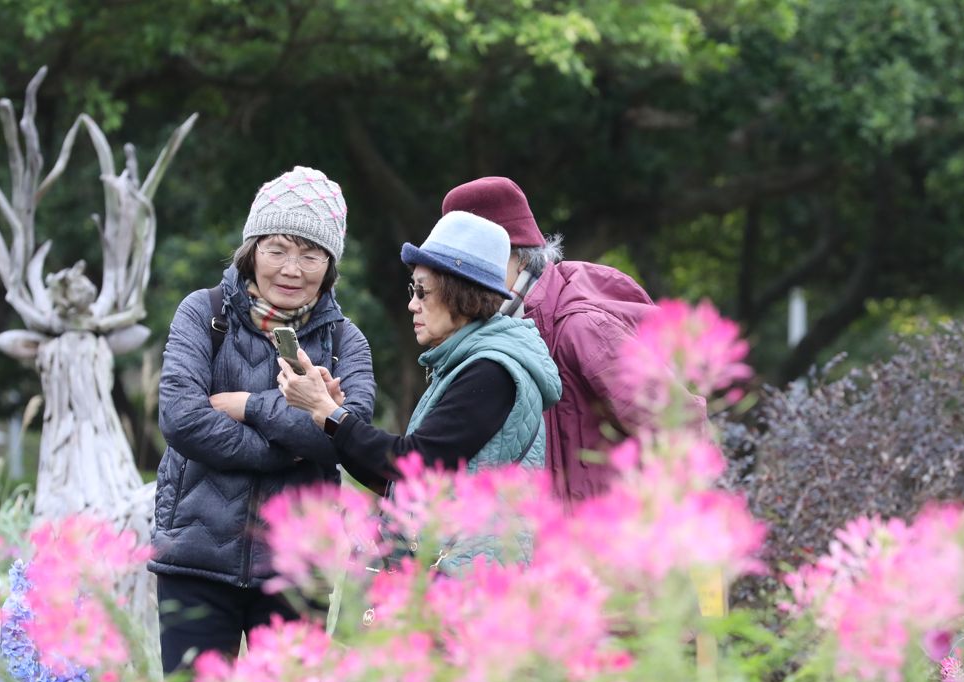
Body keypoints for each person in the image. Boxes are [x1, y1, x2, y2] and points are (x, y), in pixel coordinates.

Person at [150, 166, 375, 675]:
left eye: (310, 253)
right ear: (251, 250)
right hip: (195, 558)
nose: (292, 269)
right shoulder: (202, 314)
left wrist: (246, 406)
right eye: (277, 249)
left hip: (298, 573)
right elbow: (182, 420)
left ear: (330, 262)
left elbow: (352, 438)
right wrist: (296, 439)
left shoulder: (346, 343)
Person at [277, 210, 561, 568]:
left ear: (460, 292)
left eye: (421, 291)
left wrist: (328, 413)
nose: (412, 303)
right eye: (412, 290)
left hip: (464, 585)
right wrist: (332, 417)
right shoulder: (469, 361)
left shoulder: (491, 370)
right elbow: (394, 480)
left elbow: (413, 463)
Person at [441, 176, 678, 503]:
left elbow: (678, 428)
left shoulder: (581, 327)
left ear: (519, 255)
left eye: (480, 261)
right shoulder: (491, 333)